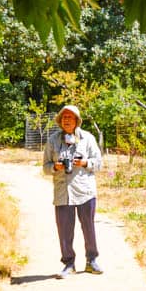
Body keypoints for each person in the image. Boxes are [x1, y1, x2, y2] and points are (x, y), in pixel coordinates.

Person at [43, 105, 103, 278]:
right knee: (64, 231)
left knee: (89, 227)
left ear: (77, 120)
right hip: (62, 192)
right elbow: (45, 168)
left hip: (85, 191)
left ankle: (92, 261)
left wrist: (84, 163)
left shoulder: (88, 138)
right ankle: (69, 264)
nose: (67, 120)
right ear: (60, 121)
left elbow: (98, 163)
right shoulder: (53, 140)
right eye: (64, 117)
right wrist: (56, 166)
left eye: (70, 117)